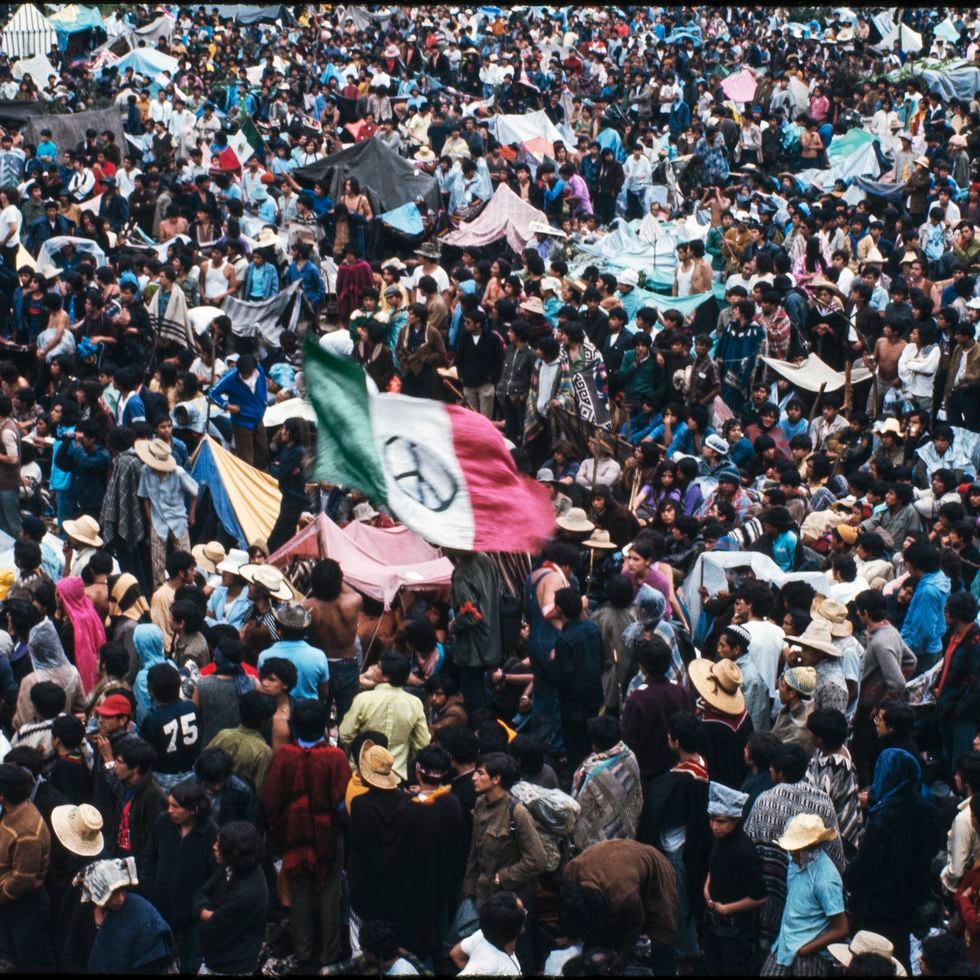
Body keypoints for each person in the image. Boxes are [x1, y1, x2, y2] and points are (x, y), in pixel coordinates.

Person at [262, 699, 350, 969]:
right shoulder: (335, 757)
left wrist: (278, 828)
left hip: (295, 835)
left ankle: (303, 951)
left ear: (294, 726)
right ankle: (329, 953)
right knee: (330, 891)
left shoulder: (283, 756)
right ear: (324, 727)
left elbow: (270, 798)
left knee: (299, 889)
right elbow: (342, 799)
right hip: (329, 834)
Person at [846, 748, 942, 968]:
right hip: (911, 897)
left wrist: (849, 876)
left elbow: (866, 866)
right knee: (900, 953)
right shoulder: (926, 807)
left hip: (880, 904)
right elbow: (933, 847)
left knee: (875, 958)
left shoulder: (883, 816)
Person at [140, 778, 217, 973]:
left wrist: (202, 904)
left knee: (190, 963)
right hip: (160, 906)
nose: (170, 810)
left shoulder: (211, 833)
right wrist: (150, 887)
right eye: (169, 805)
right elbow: (149, 856)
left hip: (192, 914)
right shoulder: (163, 822)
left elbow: (215, 876)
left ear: (194, 810)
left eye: (176, 806)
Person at [761, 813, 849, 976]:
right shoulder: (797, 859)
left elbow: (841, 928)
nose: (790, 853)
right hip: (786, 941)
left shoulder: (826, 879)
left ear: (809, 848)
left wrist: (806, 949)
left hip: (810, 953)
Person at [463, 752, 548, 910]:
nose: (473, 777)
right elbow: (474, 853)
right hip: (482, 897)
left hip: (509, 903)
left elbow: (537, 860)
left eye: (480, 773)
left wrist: (503, 877)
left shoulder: (517, 813)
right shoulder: (481, 803)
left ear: (496, 779)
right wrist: (468, 891)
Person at [702, 781, 767, 977]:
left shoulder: (744, 850)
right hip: (713, 924)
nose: (715, 826)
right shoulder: (720, 839)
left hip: (735, 931)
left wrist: (727, 908)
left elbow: (761, 897)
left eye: (721, 821)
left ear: (736, 820)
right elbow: (714, 865)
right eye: (712, 819)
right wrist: (707, 886)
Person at [339, 652, 431, 782]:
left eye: (378, 667)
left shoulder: (363, 700)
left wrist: (357, 752)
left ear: (386, 677)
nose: (374, 668)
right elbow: (422, 743)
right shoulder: (414, 703)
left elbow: (345, 735)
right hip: (396, 776)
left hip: (361, 774)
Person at [194, 821, 270, 976]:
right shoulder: (234, 866)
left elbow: (211, 933)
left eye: (219, 844)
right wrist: (205, 912)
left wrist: (205, 913)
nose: (214, 846)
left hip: (232, 965)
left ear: (233, 852)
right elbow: (203, 893)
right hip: (220, 959)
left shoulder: (246, 892)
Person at [76, 856, 175, 974]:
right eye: (113, 893)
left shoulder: (140, 911)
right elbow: (72, 955)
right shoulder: (85, 912)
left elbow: (152, 961)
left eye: (122, 890)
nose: (120, 899)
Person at [0, 763, 55, 971]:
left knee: (26, 961)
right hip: (10, 903)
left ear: (2, 796)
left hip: (23, 907)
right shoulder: (13, 812)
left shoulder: (26, 832)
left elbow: (22, 880)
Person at [570, 715, 643, 853]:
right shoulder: (629, 754)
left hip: (603, 844)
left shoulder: (590, 774)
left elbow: (578, 811)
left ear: (594, 745)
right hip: (628, 828)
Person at [304, 559, 363, 727]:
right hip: (347, 665)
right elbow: (351, 592)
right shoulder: (352, 602)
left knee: (319, 714)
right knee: (348, 718)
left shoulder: (308, 606)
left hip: (321, 664)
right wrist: (337, 578)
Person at [205, 690, 276, 792]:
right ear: (264, 721)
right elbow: (260, 787)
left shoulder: (224, 735)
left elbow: (203, 763)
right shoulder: (263, 752)